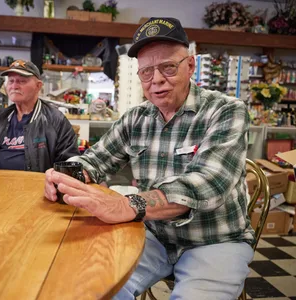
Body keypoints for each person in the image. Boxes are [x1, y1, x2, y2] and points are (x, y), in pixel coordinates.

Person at [44, 17, 255, 299]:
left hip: (215, 240)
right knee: (90, 288)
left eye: (168, 67)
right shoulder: (137, 118)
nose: (156, 80)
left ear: (190, 65)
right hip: (154, 235)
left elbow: (208, 183)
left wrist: (127, 205)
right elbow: (95, 160)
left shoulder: (226, 111)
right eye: (146, 72)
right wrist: (65, 176)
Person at [0, 60, 80, 172]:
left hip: (35, 189)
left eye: (22, 81)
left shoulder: (55, 120)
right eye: (11, 81)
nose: (14, 86)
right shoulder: (0, 118)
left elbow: (69, 162)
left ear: (38, 86)